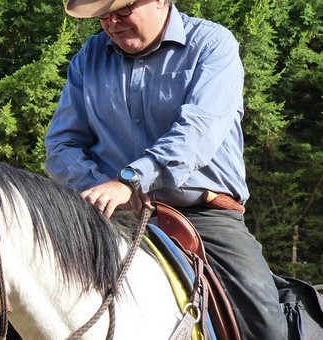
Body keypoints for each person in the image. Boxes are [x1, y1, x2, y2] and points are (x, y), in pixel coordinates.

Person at [45, 0, 286, 339]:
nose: (112, 23)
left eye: (123, 10)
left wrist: (129, 182)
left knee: (265, 323)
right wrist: (103, 189)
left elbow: (197, 132)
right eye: (102, 16)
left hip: (202, 219)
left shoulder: (212, 44)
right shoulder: (89, 57)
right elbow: (60, 145)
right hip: (110, 218)